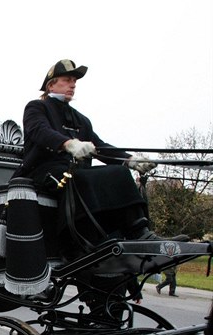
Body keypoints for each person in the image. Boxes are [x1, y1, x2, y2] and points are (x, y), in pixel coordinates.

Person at [14, 59, 188, 258]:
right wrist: (69, 144)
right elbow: (40, 131)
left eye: (75, 82)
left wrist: (130, 160)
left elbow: (101, 148)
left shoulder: (81, 120)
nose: (73, 85)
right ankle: (79, 239)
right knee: (84, 178)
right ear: (51, 84)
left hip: (76, 173)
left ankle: (139, 232)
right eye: (67, 80)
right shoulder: (37, 107)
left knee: (119, 172)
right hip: (43, 173)